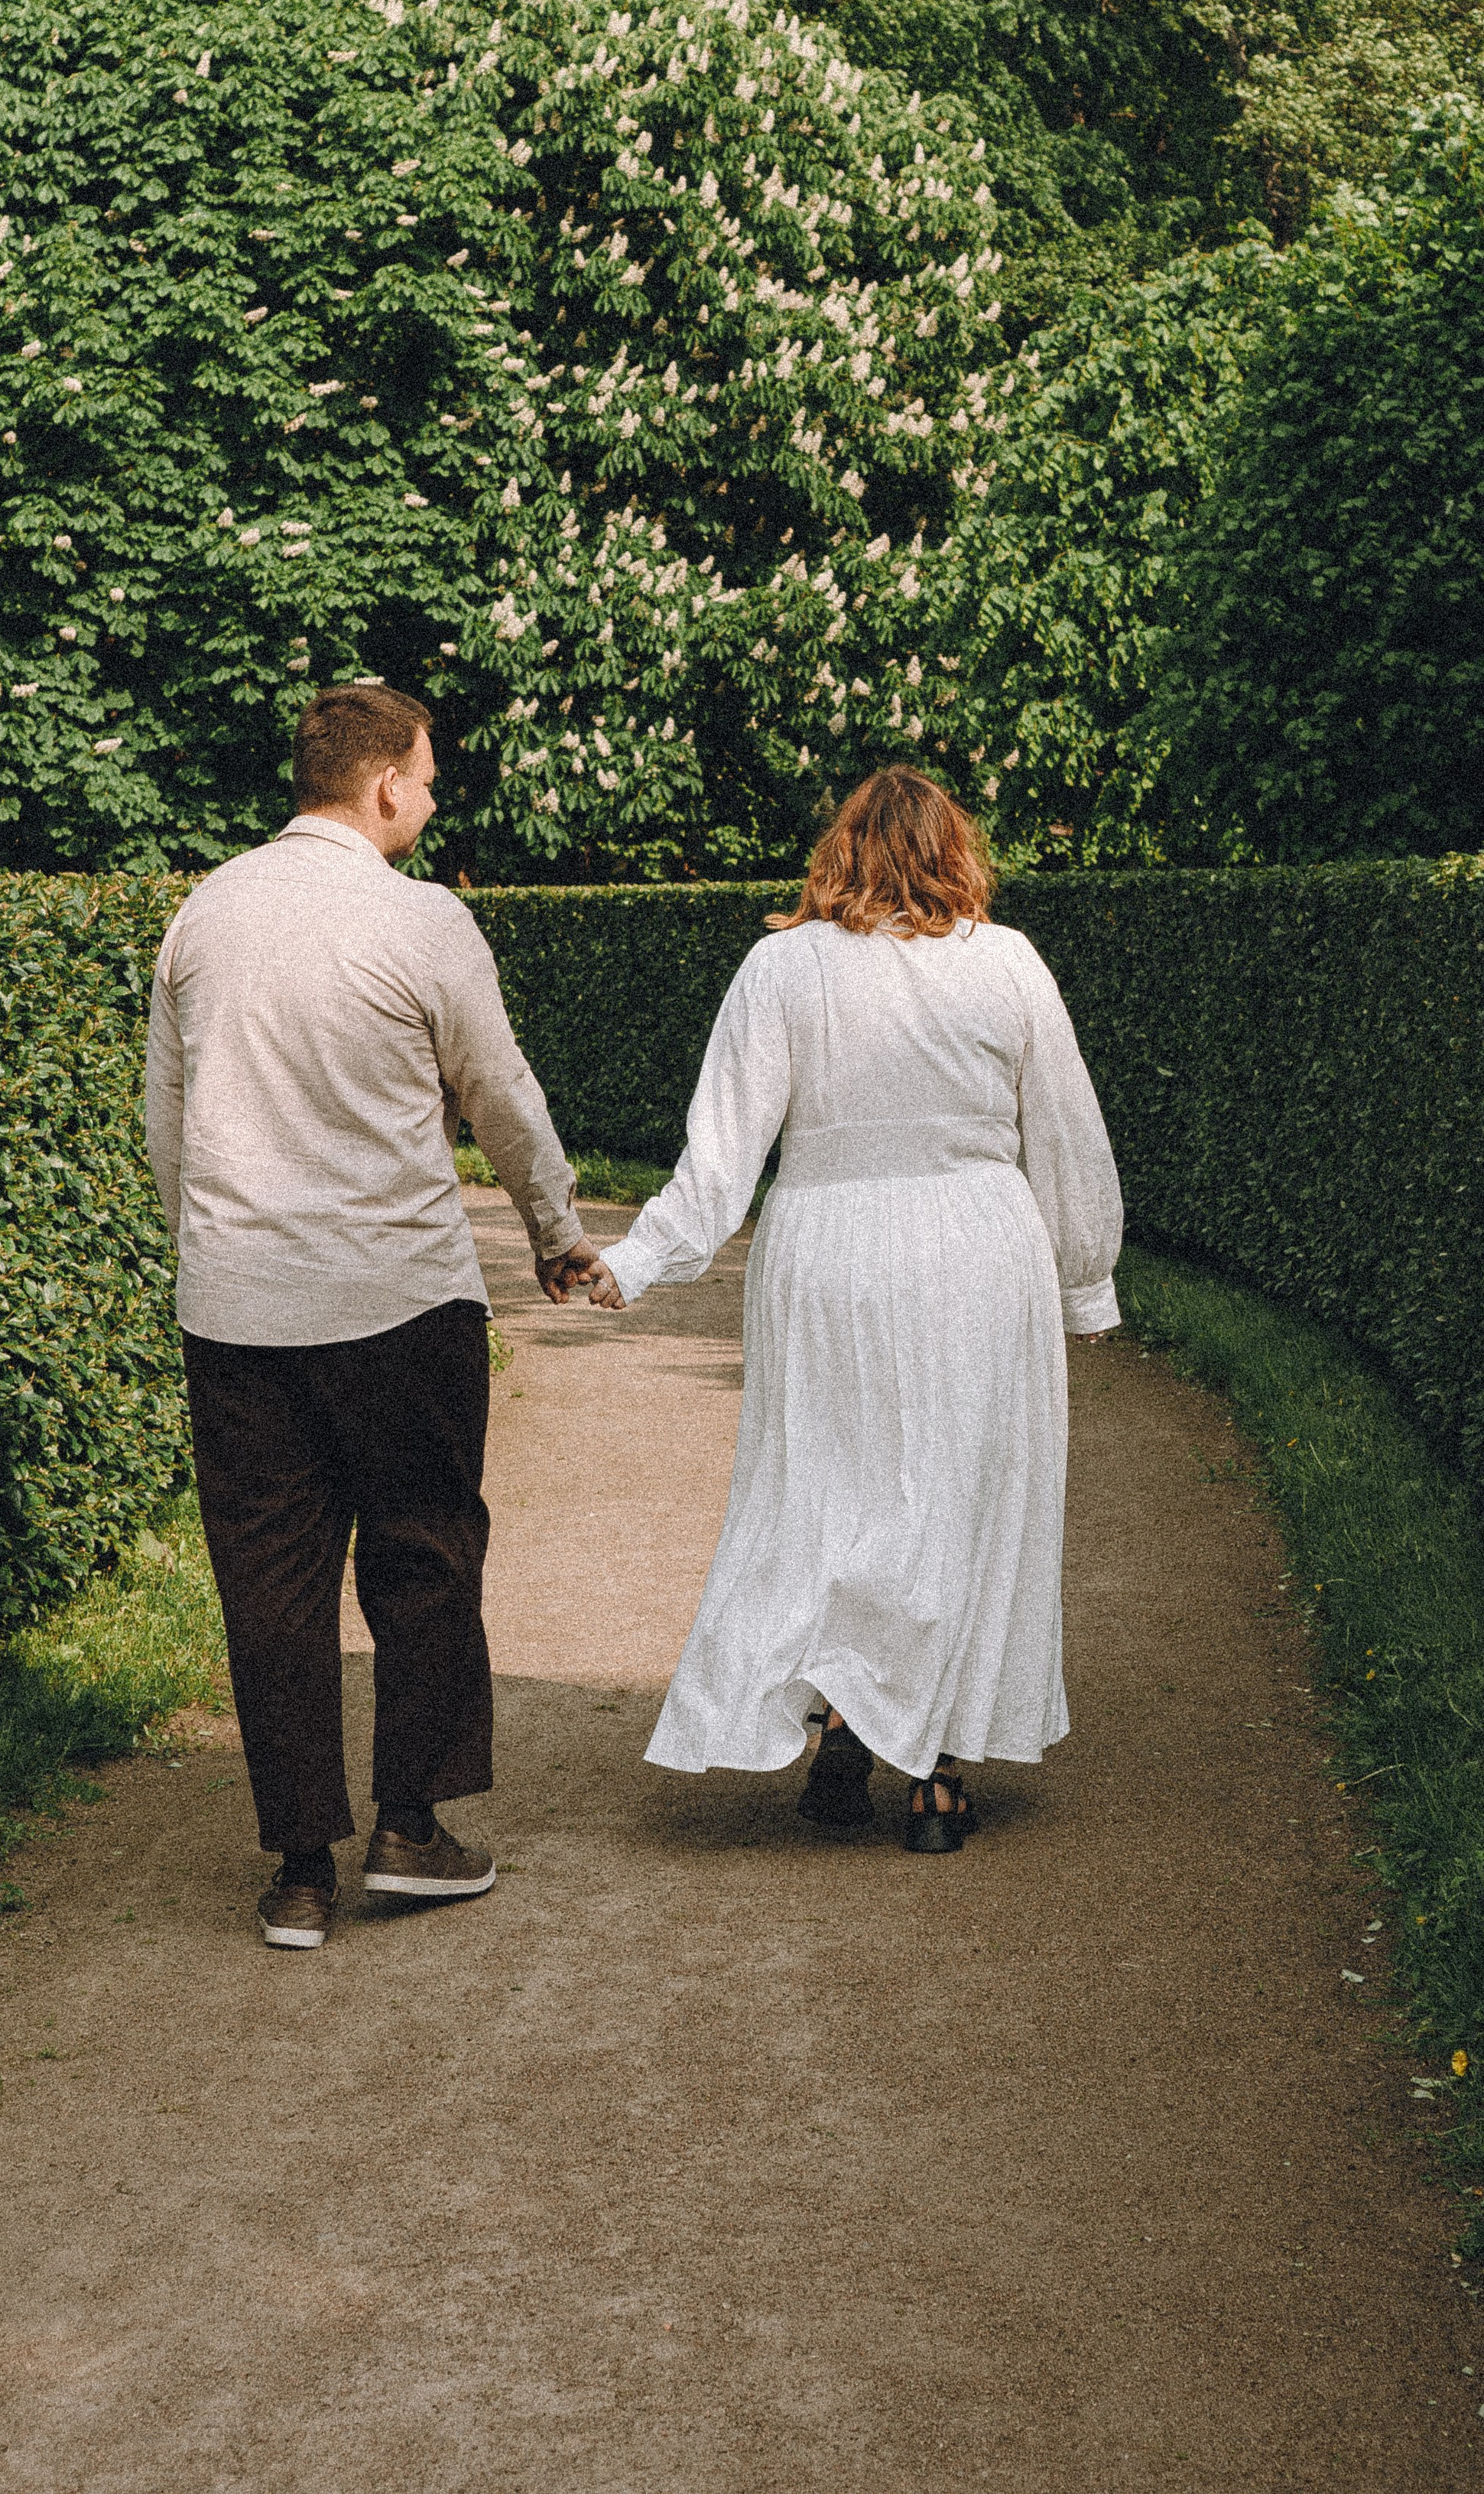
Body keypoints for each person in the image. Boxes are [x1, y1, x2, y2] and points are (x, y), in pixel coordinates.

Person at [586, 766, 1122, 1853]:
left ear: (840, 854)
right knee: (962, 1498)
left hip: (829, 1250)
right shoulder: (1006, 964)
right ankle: (935, 1770)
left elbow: (720, 1156)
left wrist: (637, 1261)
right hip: (978, 1247)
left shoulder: (780, 970)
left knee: (826, 1491)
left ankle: (842, 1716)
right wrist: (1083, 1283)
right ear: (955, 852)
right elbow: (1066, 1136)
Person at [145, 684, 601, 1949]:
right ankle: (411, 1827)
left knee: (270, 1584)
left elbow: (167, 1130)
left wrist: (218, 1258)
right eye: (431, 775)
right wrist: (555, 1233)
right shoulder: (424, 924)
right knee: (425, 1553)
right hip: (401, 1302)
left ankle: (299, 1868)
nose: (437, 794)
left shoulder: (203, 914)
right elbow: (500, 1096)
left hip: (237, 1314)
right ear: (384, 785)